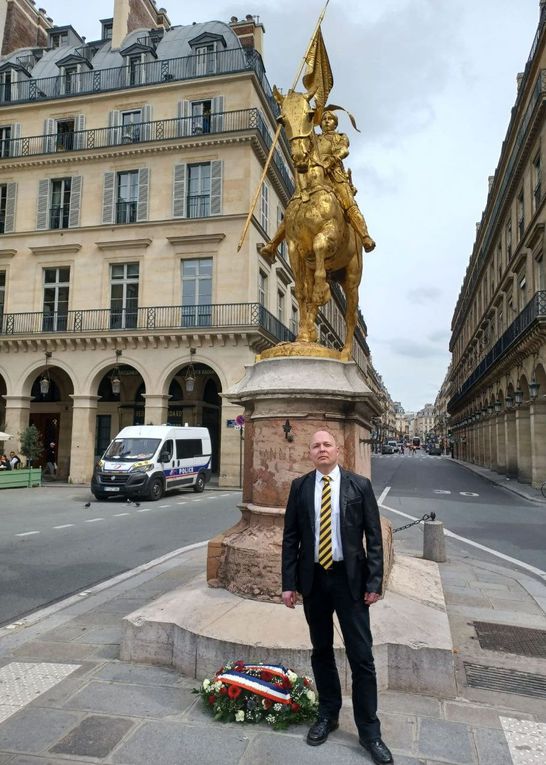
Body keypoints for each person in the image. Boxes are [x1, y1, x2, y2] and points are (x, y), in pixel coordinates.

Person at [281, 429, 392, 764]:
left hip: (350, 581)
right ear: (310, 453)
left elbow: (374, 537)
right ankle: (328, 715)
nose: (322, 449)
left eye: (327, 444)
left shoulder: (359, 485)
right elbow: (290, 538)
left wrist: (374, 583)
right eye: (315, 445)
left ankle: (370, 733)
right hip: (314, 579)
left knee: (361, 656)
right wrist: (289, 583)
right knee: (321, 651)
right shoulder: (300, 487)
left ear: (338, 450)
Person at [316, 110, 375, 253]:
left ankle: (364, 236)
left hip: (334, 175)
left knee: (349, 205)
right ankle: (274, 243)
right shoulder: (314, 139)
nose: (327, 121)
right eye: (324, 119)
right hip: (316, 174)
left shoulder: (340, 137)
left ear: (335, 123)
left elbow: (343, 150)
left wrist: (331, 160)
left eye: (330, 119)